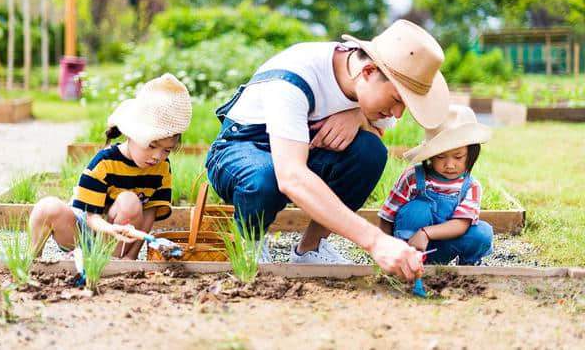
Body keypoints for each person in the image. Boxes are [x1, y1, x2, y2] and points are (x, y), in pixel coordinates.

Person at [206, 19, 449, 280]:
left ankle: (310, 249)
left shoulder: (373, 84)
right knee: (266, 177)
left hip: (305, 149)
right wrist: (376, 241)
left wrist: (357, 116)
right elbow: (291, 176)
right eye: (397, 100)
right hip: (242, 148)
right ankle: (249, 245)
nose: (397, 114)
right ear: (368, 72)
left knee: (370, 152)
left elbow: (378, 130)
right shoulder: (295, 78)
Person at [29, 74, 192, 260]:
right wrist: (110, 228)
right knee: (47, 207)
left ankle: (114, 261)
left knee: (130, 201)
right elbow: (90, 217)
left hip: (116, 241)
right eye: (152, 146)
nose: (157, 156)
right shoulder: (105, 162)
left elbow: (149, 214)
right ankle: (33, 261)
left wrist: (131, 257)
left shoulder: (161, 168)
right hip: (84, 229)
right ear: (131, 134)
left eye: (167, 150)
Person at [379, 104, 494, 265]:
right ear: (431, 156)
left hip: (446, 243)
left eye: (458, 156)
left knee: (482, 232)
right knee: (418, 209)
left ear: (471, 154)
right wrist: (386, 250)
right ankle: (407, 261)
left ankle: (468, 266)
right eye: (440, 157)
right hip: (411, 243)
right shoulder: (413, 177)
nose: (449, 165)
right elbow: (388, 215)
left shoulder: (471, 187)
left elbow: (461, 224)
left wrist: (426, 233)